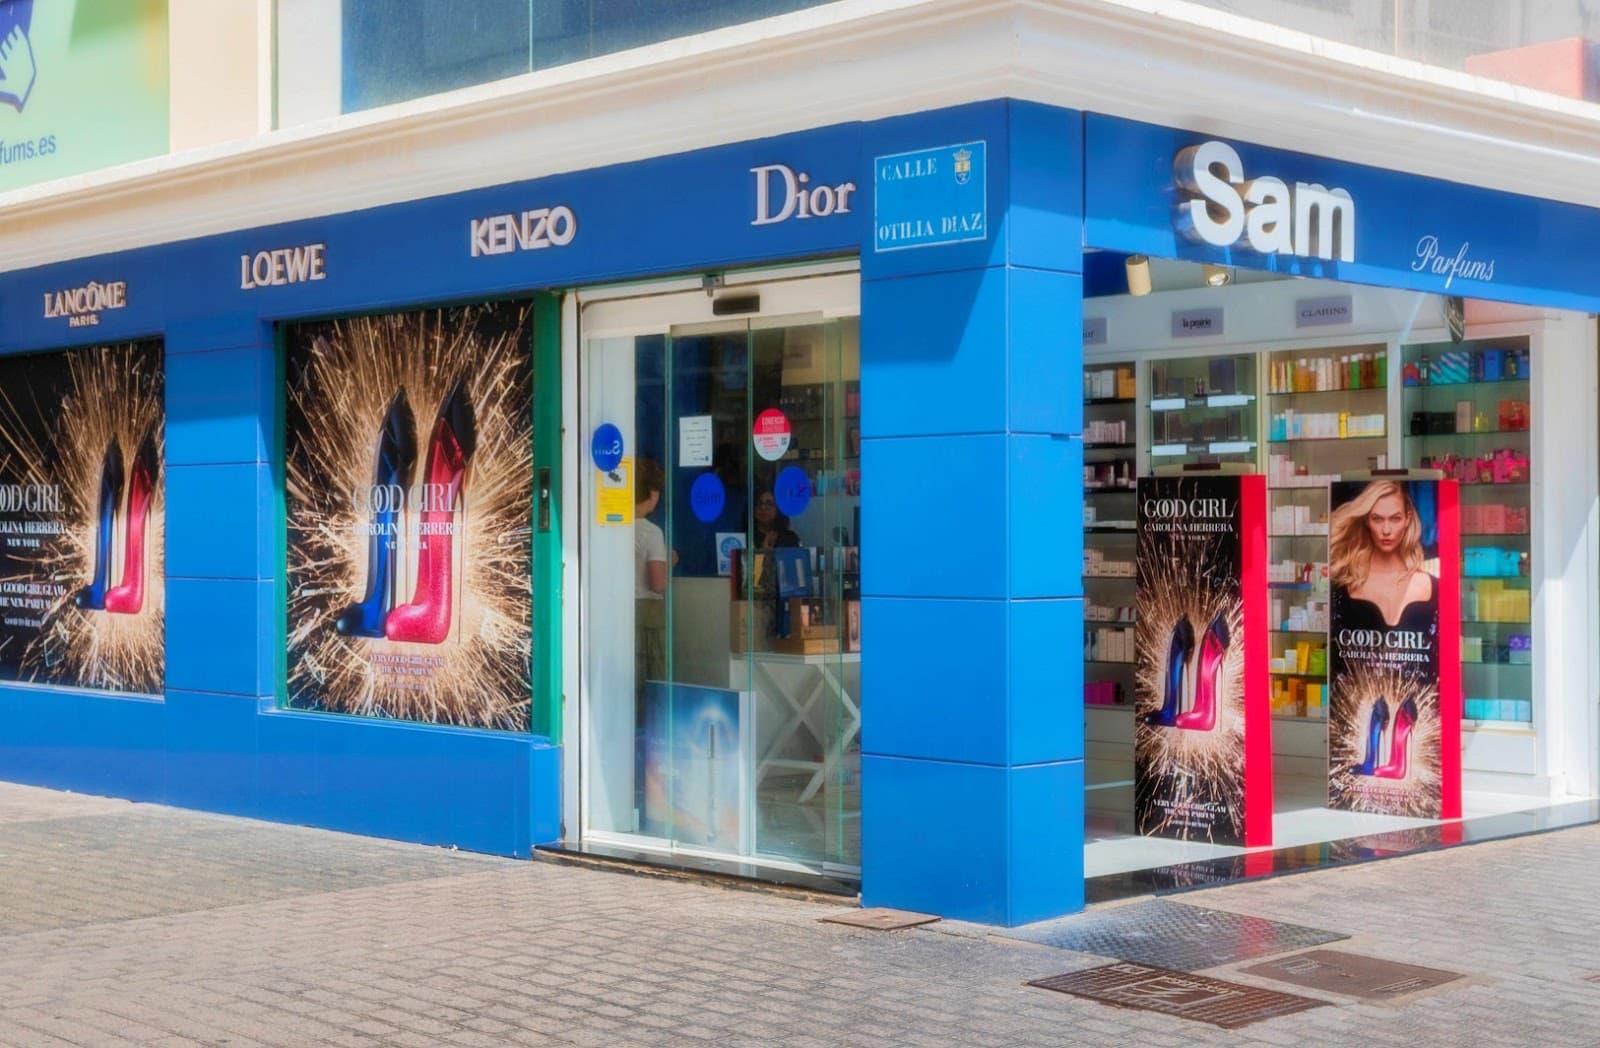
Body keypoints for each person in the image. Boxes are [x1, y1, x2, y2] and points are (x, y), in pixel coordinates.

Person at [1329, 480, 1436, 630]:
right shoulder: (1343, 586)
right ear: (1367, 520)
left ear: (1408, 519)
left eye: (1395, 518)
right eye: (1377, 519)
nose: (1386, 530)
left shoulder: (1433, 587)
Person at [634, 457, 674, 693]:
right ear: (652, 492)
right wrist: (669, 562)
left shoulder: (612, 526)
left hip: (621, 610)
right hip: (648, 615)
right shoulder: (651, 532)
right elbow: (658, 583)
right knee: (653, 679)